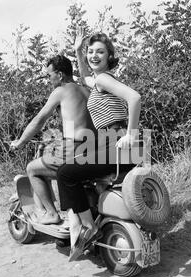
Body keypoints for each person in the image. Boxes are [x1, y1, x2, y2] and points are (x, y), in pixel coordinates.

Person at [56, 28, 141, 261]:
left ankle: (84, 226)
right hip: (111, 143)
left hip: (118, 142)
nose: (94, 55)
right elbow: (84, 78)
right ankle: (81, 223)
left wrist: (131, 134)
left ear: (109, 56)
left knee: (65, 174)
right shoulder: (98, 81)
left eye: (100, 52)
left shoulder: (103, 79)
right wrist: (77, 50)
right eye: (91, 52)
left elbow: (134, 98)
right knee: (74, 171)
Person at [10, 54, 96, 224]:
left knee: (32, 169)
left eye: (49, 75)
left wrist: (20, 142)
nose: (48, 79)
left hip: (75, 150)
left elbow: (39, 120)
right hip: (95, 149)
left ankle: (50, 213)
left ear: (60, 74)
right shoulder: (87, 90)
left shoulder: (61, 91)